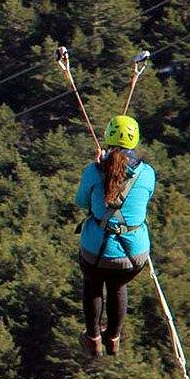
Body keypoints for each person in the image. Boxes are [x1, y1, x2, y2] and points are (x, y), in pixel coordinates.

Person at [74, 115, 155, 357]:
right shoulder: (147, 173)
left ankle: (93, 337)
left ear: (108, 137)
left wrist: (100, 167)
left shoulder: (94, 170)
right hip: (134, 255)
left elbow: (81, 202)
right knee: (118, 284)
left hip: (95, 250)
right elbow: (144, 198)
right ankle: (113, 337)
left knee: (93, 285)